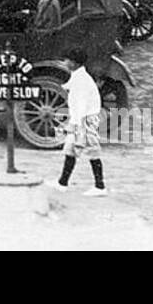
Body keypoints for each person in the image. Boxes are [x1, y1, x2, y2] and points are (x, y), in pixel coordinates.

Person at [54, 52, 106, 197]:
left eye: (67, 60)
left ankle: (100, 186)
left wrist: (78, 127)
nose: (65, 62)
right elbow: (70, 85)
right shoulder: (78, 75)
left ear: (75, 63)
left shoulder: (82, 80)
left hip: (85, 119)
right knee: (70, 150)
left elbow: (81, 106)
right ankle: (62, 183)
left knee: (92, 150)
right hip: (79, 119)